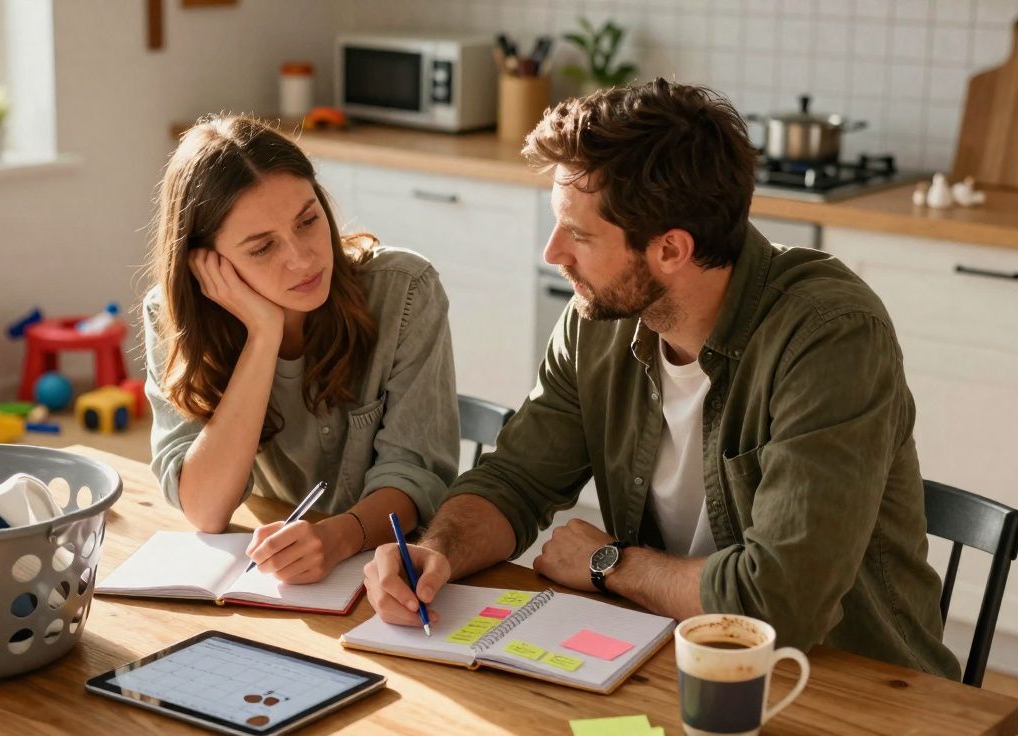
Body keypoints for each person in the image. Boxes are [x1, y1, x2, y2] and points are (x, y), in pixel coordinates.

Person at [362, 80, 961, 679]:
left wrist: (610, 564)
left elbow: (777, 603)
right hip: (668, 660)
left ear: (670, 249)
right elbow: (517, 478)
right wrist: (435, 552)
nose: (553, 253)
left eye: (579, 234)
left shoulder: (830, 337)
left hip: (842, 685)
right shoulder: (597, 322)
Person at [143, 115, 459, 585]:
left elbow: (413, 475)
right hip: (280, 575)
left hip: (393, 570)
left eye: (308, 220)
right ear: (205, 263)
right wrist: (263, 336)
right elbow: (206, 510)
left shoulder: (406, 291)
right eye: (262, 248)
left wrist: (338, 537)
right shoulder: (173, 317)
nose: (303, 258)